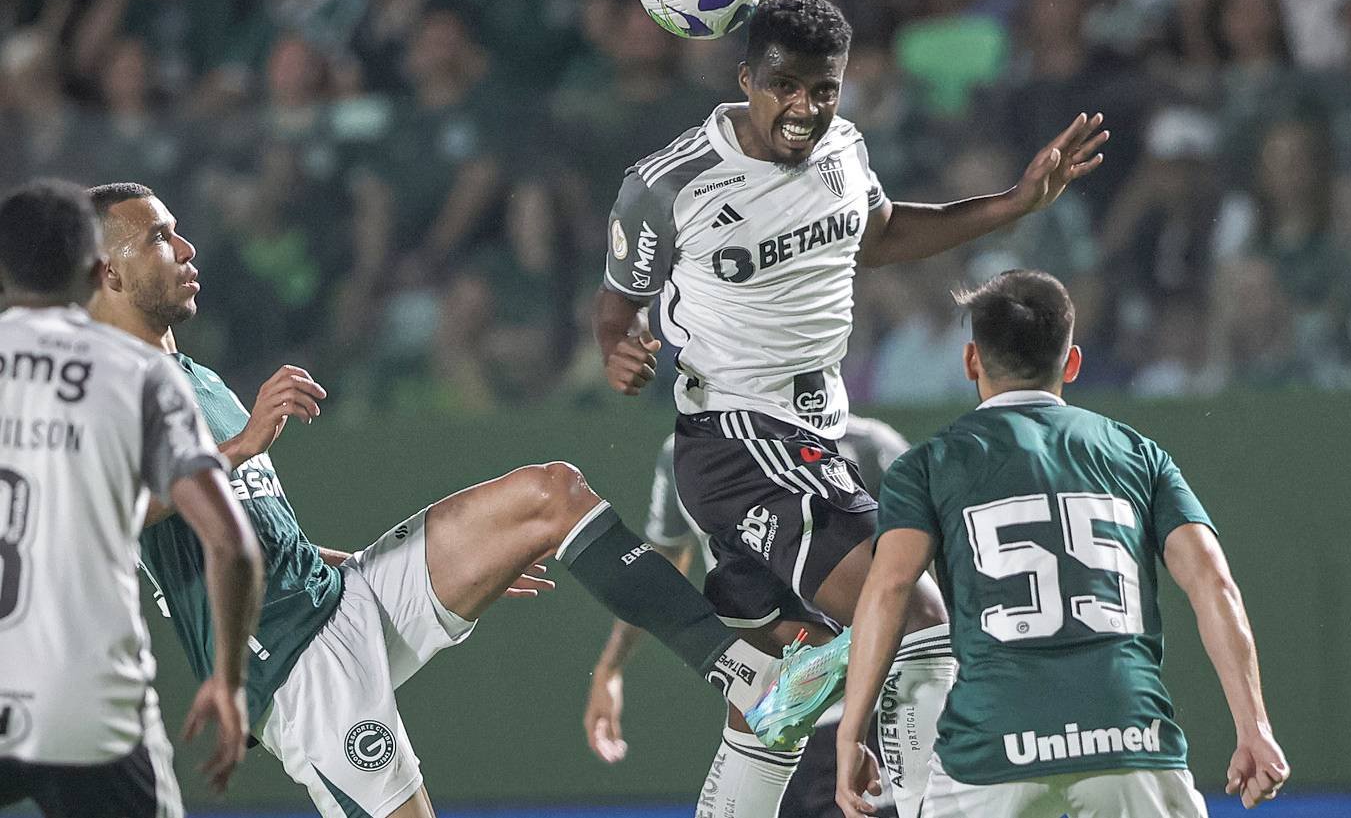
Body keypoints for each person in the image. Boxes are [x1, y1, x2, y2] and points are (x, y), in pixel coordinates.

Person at [86, 182, 838, 818]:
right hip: (294, 673)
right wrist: (241, 446)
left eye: (179, 233)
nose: (186, 250)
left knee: (551, 494)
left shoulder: (198, 377)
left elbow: (245, 528)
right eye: (159, 238)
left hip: (342, 595)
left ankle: (749, 674)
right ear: (106, 271)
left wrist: (469, 563)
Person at [596, 0, 1108, 817]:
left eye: (823, 89)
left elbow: (880, 234)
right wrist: (618, 352)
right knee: (910, 611)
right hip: (739, 437)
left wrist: (1013, 203)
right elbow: (617, 304)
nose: (805, 108)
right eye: (785, 86)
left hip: (812, 440)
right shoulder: (667, 183)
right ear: (745, 78)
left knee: (773, 698)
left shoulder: (842, 147)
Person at [833, 270, 1290, 817]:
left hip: (992, 751)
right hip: (1130, 741)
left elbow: (889, 590)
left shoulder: (928, 466)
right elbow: (1213, 582)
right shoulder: (1138, 455)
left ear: (971, 360)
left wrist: (850, 734)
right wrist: (1254, 727)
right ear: (1071, 362)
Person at [0, 179, 263, 817]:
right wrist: (227, 680)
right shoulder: (139, 373)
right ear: (96, 268)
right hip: (89, 704)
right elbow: (230, 545)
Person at [584, 416, 911, 818]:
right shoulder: (683, 456)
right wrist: (610, 668)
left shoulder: (864, 443)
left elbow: (920, 556)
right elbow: (661, 566)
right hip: (764, 720)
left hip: (864, 711)